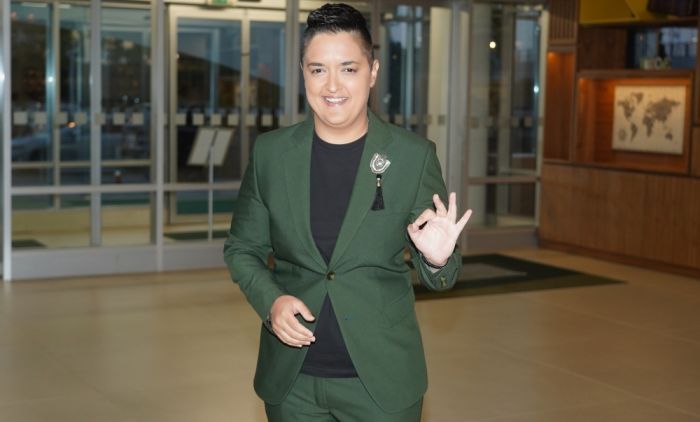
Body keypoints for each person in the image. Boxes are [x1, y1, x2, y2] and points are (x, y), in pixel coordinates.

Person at [224, 3, 472, 421]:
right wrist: (272, 302)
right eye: (318, 69)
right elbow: (242, 248)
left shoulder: (412, 157)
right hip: (292, 382)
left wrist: (436, 259)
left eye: (349, 69)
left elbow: (442, 276)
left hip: (381, 382)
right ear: (303, 73)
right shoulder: (271, 154)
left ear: (372, 72)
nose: (332, 85)